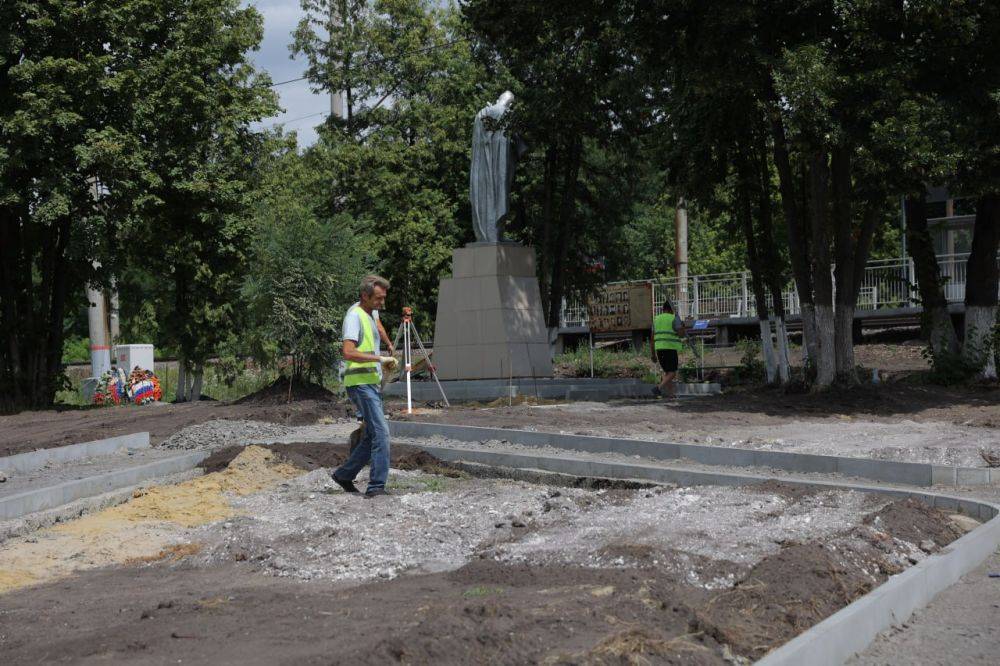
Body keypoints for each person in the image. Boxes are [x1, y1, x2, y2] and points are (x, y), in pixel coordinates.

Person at [332, 275, 398, 498]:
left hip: (370, 383)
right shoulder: (354, 317)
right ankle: (376, 487)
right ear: (365, 296)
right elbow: (348, 352)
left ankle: (344, 475)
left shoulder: (371, 314)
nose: (382, 303)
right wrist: (379, 359)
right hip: (360, 384)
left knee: (371, 435)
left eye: (383, 298)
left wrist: (386, 351)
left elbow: (377, 330)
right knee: (381, 433)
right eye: (378, 299)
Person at [651, 301, 686, 398]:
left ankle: (671, 394)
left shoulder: (656, 319)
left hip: (659, 348)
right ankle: (658, 388)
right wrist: (683, 327)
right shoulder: (674, 318)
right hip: (670, 347)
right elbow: (681, 334)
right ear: (672, 309)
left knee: (667, 372)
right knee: (672, 372)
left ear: (663, 308)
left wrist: (653, 354)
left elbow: (652, 338)